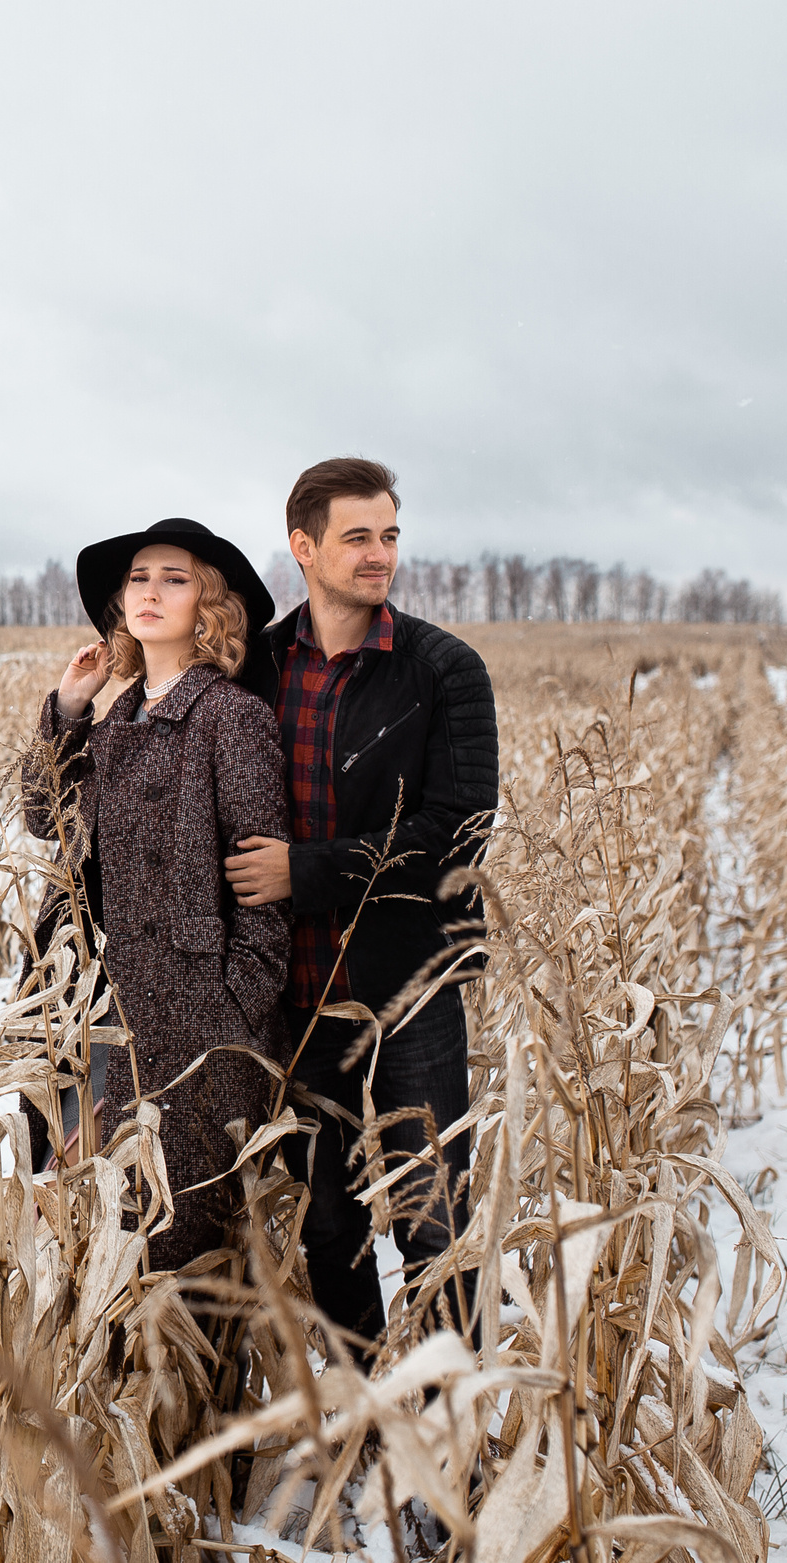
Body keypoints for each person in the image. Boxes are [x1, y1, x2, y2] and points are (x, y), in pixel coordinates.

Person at [223, 458, 499, 1362]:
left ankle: (449, 1440)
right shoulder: (255, 665)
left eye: (389, 535)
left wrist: (311, 870)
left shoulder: (443, 669)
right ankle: (363, 1425)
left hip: (410, 988)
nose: (379, 555)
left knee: (434, 1226)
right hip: (294, 998)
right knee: (329, 1229)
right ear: (303, 547)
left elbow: (459, 831)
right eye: (358, 537)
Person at [20, 518, 290, 1272]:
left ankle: (183, 1394)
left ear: (210, 604)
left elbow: (264, 894)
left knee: (175, 1239)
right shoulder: (114, 717)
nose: (149, 590)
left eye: (174, 577)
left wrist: (229, 1010)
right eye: (138, 577)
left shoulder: (231, 718)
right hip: (98, 1009)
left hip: (192, 1027)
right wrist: (70, 706)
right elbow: (46, 816)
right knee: (90, 1217)